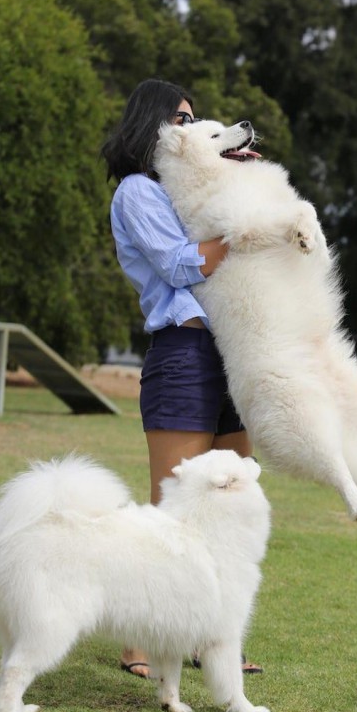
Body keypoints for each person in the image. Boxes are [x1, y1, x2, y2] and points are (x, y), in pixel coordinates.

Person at [101, 78, 262, 677]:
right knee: (173, 508)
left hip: (232, 351)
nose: (188, 129)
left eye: (193, 119)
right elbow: (179, 264)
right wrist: (245, 228)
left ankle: (212, 642)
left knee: (231, 502)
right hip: (184, 353)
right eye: (179, 119)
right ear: (151, 127)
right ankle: (137, 642)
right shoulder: (137, 193)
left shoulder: (193, 190)